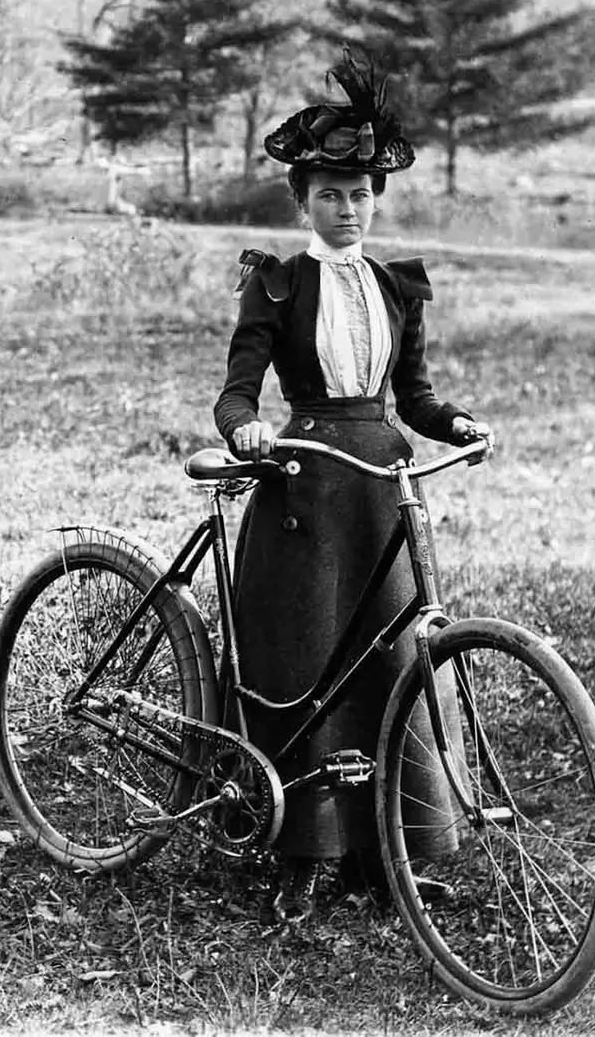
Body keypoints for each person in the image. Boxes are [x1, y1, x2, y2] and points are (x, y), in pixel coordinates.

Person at [212, 53, 491, 925]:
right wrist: (245, 430)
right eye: (331, 193)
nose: (349, 208)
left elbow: (416, 398)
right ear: (303, 199)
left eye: (362, 192)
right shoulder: (280, 282)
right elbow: (237, 389)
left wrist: (456, 427)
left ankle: (389, 851)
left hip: (381, 488)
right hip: (304, 488)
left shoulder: (396, 287)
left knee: (394, 656)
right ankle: (304, 850)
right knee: (306, 663)